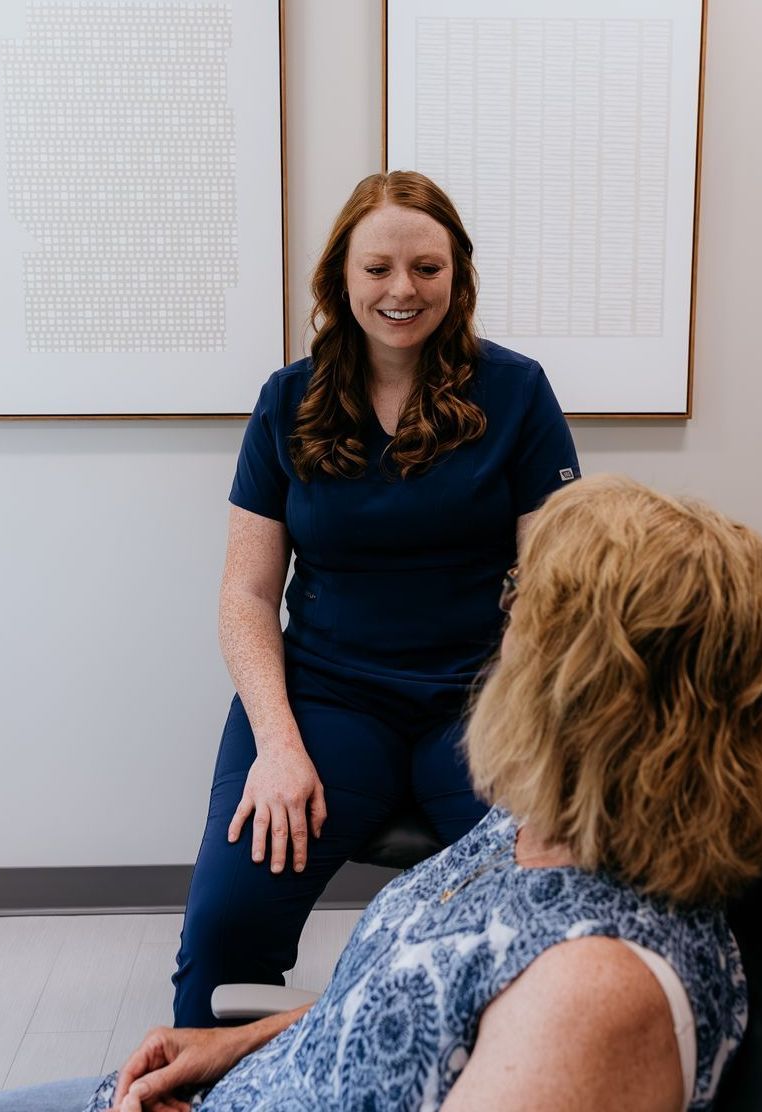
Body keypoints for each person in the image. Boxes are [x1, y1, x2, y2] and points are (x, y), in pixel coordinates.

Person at [0, 475, 762, 1112]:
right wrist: (235, 1044)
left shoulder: (595, 998)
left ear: (589, 692)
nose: (502, 626)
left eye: (521, 604)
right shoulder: (538, 828)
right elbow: (410, 1004)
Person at [171, 171, 580, 1027]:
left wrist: (536, 722)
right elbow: (247, 592)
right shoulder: (287, 400)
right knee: (224, 928)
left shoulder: (518, 393)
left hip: (481, 701)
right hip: (325, 698)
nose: (403, 290)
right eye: (379, 268)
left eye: (427, 269)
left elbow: (557, 584)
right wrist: (277, 746)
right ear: (340, 280)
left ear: (458, 278)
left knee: (554, 911)